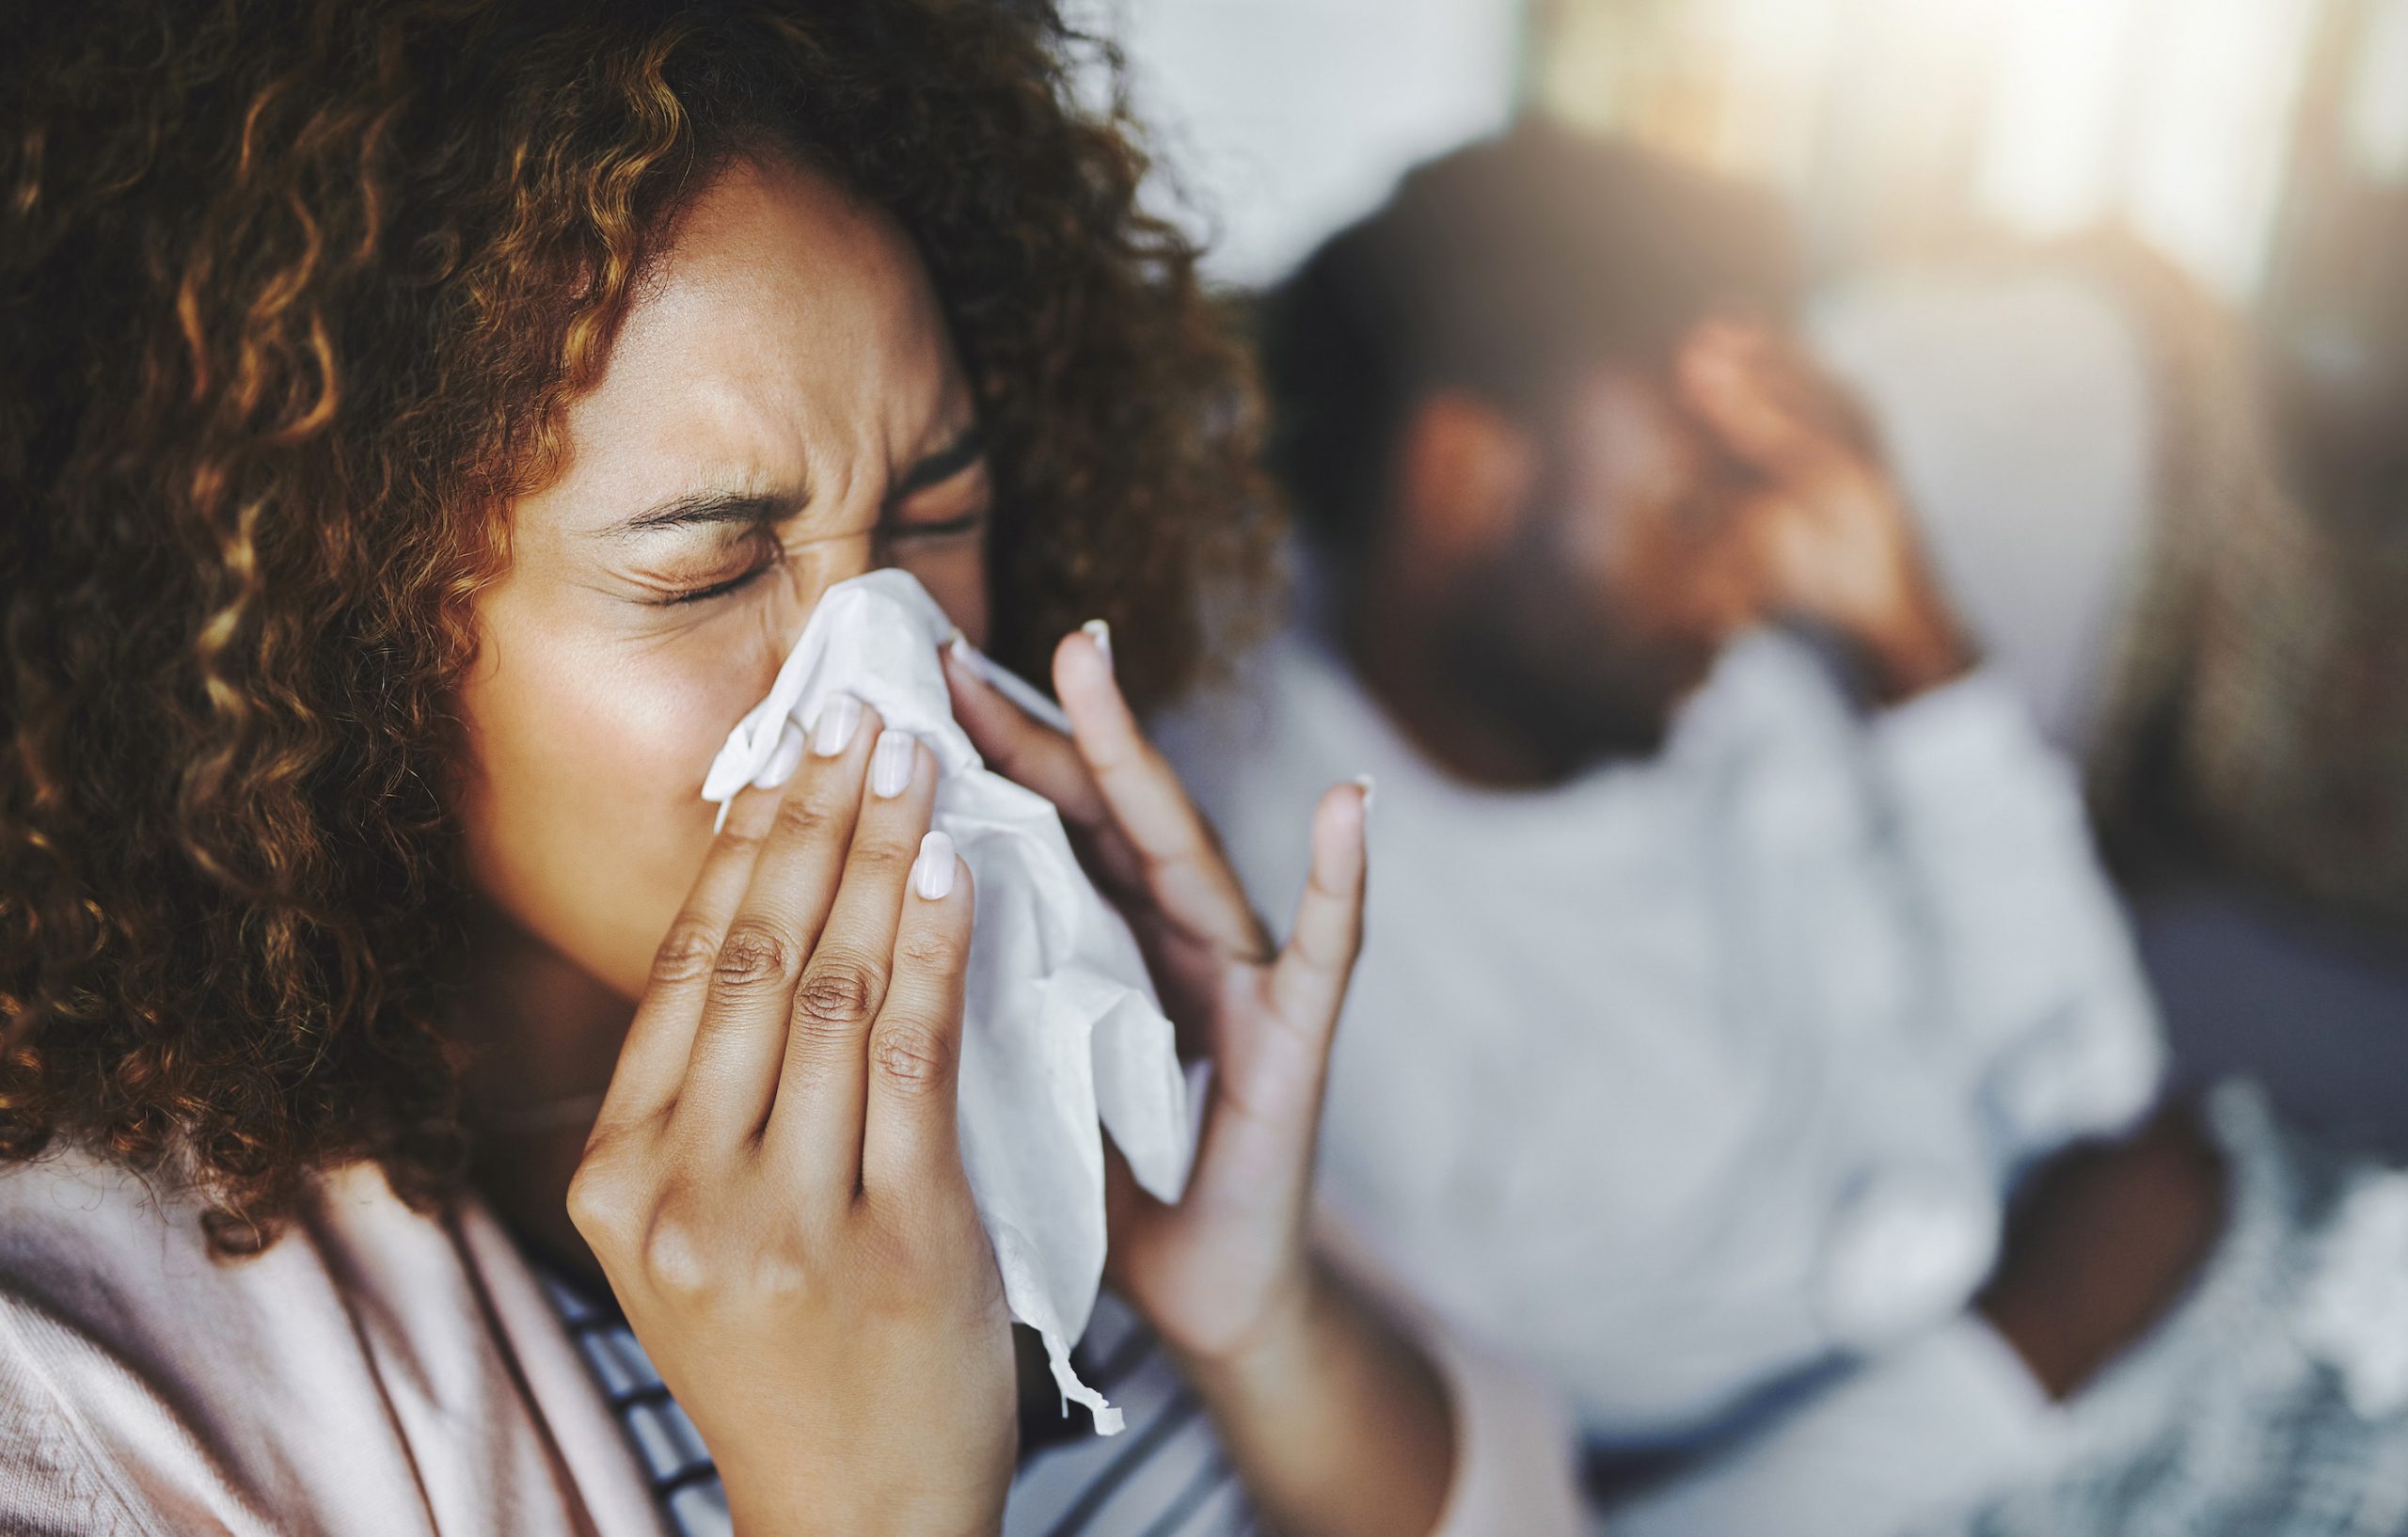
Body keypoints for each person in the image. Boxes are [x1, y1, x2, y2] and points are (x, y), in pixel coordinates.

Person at [0, 6, 1583, 1534]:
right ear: (328, 627)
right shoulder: (97, 1400)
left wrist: (1252, 1304)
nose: (890, 690)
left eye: (938, 511)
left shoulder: (1053, 1057)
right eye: (709, 567)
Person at [1158, 122, 2203, 1530]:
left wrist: (1915, 640)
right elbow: (1517, 1501)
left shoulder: (1695, 689)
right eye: (1692, 504)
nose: (1749, 575)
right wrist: (2028, 1342)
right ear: (1464, 476)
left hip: (2205, 1295)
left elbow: (2096, 1084)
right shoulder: (1287, 958)